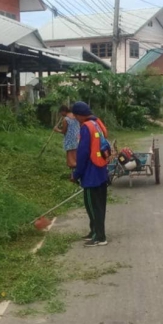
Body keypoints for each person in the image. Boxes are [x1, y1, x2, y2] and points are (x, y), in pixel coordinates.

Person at [70, 101, 110, 247]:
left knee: (93, 206)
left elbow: (82, 154)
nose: (75, 119)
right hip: (101, 172)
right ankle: (94, 231)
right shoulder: (96, 124)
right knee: (98, 206)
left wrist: (76, 174)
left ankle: (99, 237)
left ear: (79, 116)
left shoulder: (86, 127)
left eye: (75, 116)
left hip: (91, 174)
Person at [54, 104, 80, 169]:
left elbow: (64, 131)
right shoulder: (75, 116)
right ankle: (77, 167)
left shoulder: (66, 119)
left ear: (63, 111)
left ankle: (73, 171)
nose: (60, 114)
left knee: (71, 156)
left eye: (60, 112)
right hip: (77, 138)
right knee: (76, 154)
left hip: (70, 139)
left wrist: (57, 130)